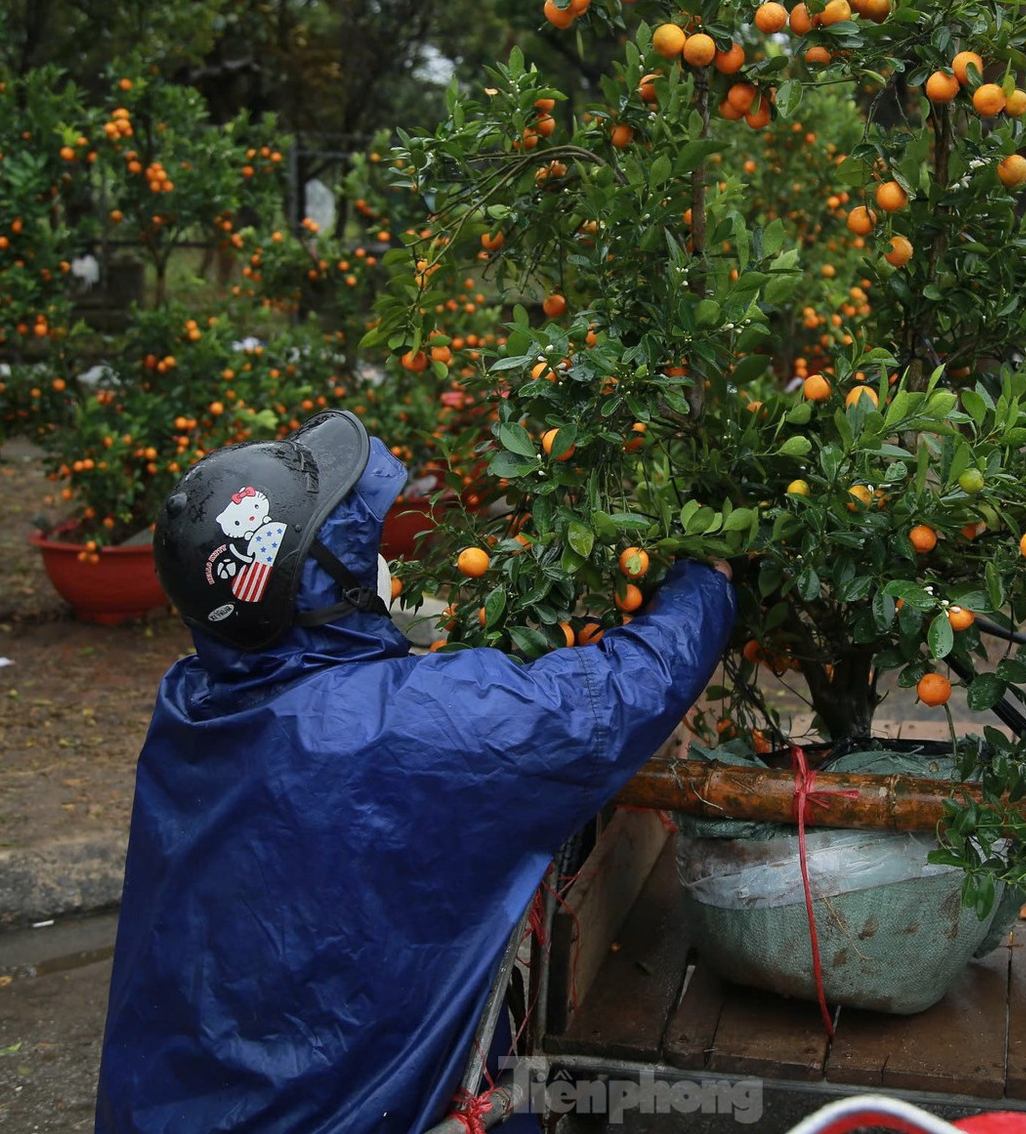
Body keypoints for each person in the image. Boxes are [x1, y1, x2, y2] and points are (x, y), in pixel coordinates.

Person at [94, 410, 736, 1134]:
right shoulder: (406, 723)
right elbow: (608, 700)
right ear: (316, 585)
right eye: (357, 540)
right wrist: (704, 586)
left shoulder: (192, 703)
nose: (378, 553)